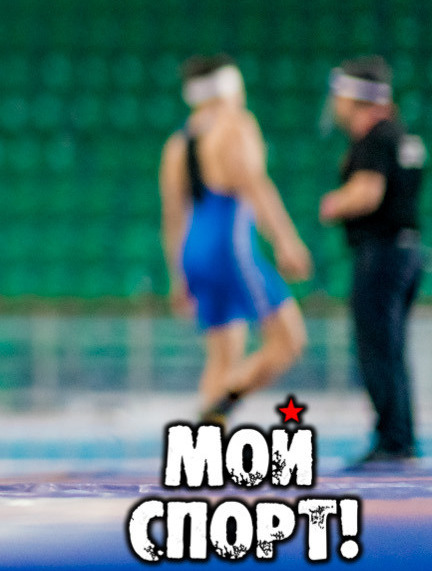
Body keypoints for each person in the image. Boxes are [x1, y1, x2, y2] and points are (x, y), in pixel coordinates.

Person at [159, 56, 313, 426]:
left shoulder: (178, 144)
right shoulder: (235, 127)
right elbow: (254, 185)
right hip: (230, 248)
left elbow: (173, 218)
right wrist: (285, 241)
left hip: (196, 250)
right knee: (289, 340)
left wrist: (178, 275)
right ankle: (221, 406)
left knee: (221, 355)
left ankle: (208, 446)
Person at [318, 56, 424, 466]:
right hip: (405, 251)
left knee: (377, 348)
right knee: (391, 349)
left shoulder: (376, 138)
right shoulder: (401, 136)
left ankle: (393, 441)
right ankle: (399, 437)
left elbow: (368, 193)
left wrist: (334, 203)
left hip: (381, 253)